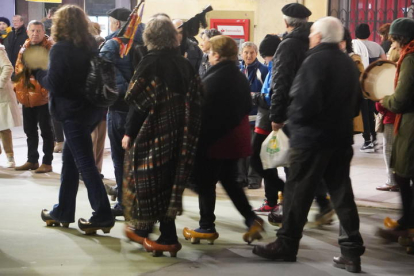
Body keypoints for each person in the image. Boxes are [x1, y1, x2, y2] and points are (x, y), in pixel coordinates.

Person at [253, 17, 365, 273]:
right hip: (340, 138)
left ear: (317, 37)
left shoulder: (313, 60)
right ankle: (351, 252)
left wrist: (290, 121)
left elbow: (303, 102)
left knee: (297, 192)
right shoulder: (348, 63)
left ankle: (286, 244)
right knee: (342, 193)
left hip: (312, 139)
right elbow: (357, 104)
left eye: (312, 34)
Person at [121, 14, 202, 257]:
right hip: (182, 135)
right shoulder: (184, 64)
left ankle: (164, 236)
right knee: (169, 182)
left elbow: (137, 103)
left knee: (145, 181)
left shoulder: (150, 62)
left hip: (153, 134)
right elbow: (199, 98)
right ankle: (149, 230)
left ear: (149, 37)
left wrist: (129, 132)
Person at [38, 5, 114, 234]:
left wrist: (37, 72)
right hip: (91, 111)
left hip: (72, 114)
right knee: (70, 164)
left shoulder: (61, 48)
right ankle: (62, 211)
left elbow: (55, 84)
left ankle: (103, 214)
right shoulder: (90, 44)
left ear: (60, 24)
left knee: (85, 165)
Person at [183, 35, 265, 245]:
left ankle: (206, 226)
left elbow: (203, 112)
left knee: (205, 182)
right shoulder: (238, 75)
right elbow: (247, 104)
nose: (208, 56)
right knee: (230, 182)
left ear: (217, 55)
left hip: (215, 140)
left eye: (210, 52)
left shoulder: (213, 78)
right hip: (235, 137)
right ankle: (250, 218)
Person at [378, 18, 414, 241]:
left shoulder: (410, 58)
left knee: (403, 173)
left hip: (410, 124)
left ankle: (407, 223)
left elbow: (401, 98)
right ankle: (407, 221)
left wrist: (384, 101)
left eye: (394, 40)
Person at [99, 7, 134, 217]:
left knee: (120, 158)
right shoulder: (147, 42)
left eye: (111, 22)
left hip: (120, 107)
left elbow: (102, 71)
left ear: (118, 24)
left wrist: (123, 90)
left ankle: (123, 202)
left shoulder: (112, 44)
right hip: (144, 108)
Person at [13, 20, 54, 173]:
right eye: (33, 30)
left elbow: (52, 73)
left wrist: (45, 92)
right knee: (29, 130)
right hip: (26, 97)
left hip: (43, 97)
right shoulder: (24, 47)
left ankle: (47, 162)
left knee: (46, 131)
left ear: (44, 32)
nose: (35, 33)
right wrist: (17, 88)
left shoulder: (50, 47)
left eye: (38, 31)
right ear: (28, 32)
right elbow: (18, 68)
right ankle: (32, 160)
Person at [250, 34, 284, 212]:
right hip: (268, 119)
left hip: (271, 120)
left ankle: (283, 192)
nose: (265, 60)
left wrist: (255, 97)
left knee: (258, 157)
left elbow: (273, 96)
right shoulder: (276, 65)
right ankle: (272, 200)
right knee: (268, 160)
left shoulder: (277, 66)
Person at [352, 23, 387, 153]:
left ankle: (367, 140)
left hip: (360, 82)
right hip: (373, 83)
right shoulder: (377, 46)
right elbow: (385, 62)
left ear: (355, 33)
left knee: (364, 112)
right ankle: (374, 138)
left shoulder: (353, 45)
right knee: (372, 110)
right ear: (369, 33)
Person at [237, 41, 267, 189]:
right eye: (246, 52)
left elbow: (266, 93)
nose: (248, 55)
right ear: (241, 54)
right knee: (241, 149)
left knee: (254, 150)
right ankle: (241, 177)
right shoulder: (238, 70)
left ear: (256, 54)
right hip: (240, 118)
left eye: (251, 52)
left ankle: (254, 179)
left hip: (257, 118)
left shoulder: (263, 70)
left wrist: (252, 95)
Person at [0, 39, 21, 168]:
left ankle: (10, 156)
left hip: (1, 94)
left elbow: (8, 67)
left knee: (3, 127)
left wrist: (0, 84)